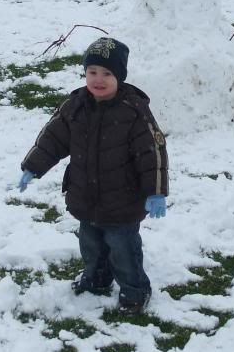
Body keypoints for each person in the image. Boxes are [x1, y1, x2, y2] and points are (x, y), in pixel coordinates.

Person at [18, 37, 168, 315]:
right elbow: (53, 139)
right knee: (91, 245)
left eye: (107, 73)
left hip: (122, 202)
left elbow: (153, 153)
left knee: (123, 249)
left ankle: (135, 290)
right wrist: (33, 166)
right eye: (92, 72)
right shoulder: (75, 106)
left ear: (120, 77)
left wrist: (156, 190)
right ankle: (97, 279)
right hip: (85, 196)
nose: (98, 80)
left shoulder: (134, 111)